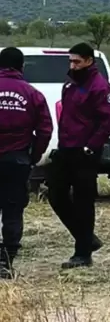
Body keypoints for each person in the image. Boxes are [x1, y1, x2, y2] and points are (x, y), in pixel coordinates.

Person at [47, 43, 110, 270]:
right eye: (71, 61)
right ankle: (87, 238)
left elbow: (109, 123)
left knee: (83, 201)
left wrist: (90, 147)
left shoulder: (99, 87)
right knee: (56, 195)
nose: (72, 65)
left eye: (77, 61)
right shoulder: (70, 83)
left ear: (89, 60)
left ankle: (83, 252)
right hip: (66, 148)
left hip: (85, 152)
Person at [0, 47, 52, 279]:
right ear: (21, 67)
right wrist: (33, 156)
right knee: (12, 210)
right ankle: (6, 263)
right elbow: (45, 130)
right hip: (17, 160)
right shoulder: (32, 94)